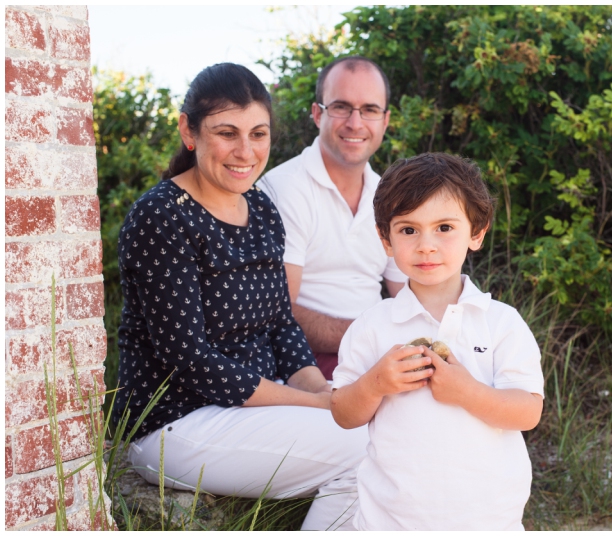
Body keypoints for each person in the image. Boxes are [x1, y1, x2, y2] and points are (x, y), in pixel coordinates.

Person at [112, 63, 367, 530]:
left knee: (380, 439)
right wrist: (315, 405)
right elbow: (188, 358)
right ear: (189, 131)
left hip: (253, 412)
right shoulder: (161, 216)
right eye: (227, 133)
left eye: (259, 134)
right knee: (367, 446)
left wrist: (320, 388)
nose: (245, 152)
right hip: (175, 426)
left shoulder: (262, 207)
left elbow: (281, 324)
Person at [329, 153, 545, 530]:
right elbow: (343, 414)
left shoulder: (500, 323)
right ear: (385, 239)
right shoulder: (371, 326)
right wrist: (375, 383)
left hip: (487, 518)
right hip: (393, 520)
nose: (426, 245)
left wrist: (467, 391)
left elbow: (528, 412)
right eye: (408, 230)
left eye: (444, 227)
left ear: (476, 233)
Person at [256, 56, 406, 380]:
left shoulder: (390, 196)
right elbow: (276, 314)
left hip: (376, 356)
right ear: (316, 114)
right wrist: (374, 337)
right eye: (341, 107)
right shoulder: (281, 190)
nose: (355, 123)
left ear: (385, 120)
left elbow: (413, 288)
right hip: (303, 363)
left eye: (369, 109)